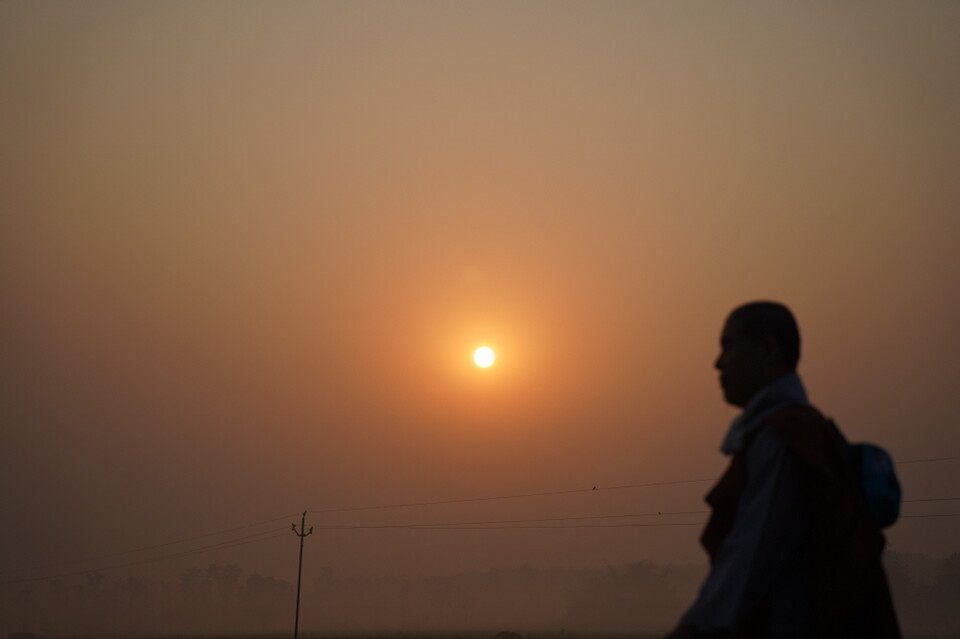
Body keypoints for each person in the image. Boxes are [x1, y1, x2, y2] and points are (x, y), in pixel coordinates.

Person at [665, 301, 900, 639]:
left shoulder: (786, 437)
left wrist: (693, 628)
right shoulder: (798, 432)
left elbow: (749, 553)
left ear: (767, 350)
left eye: (728, 347)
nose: (718, 363)